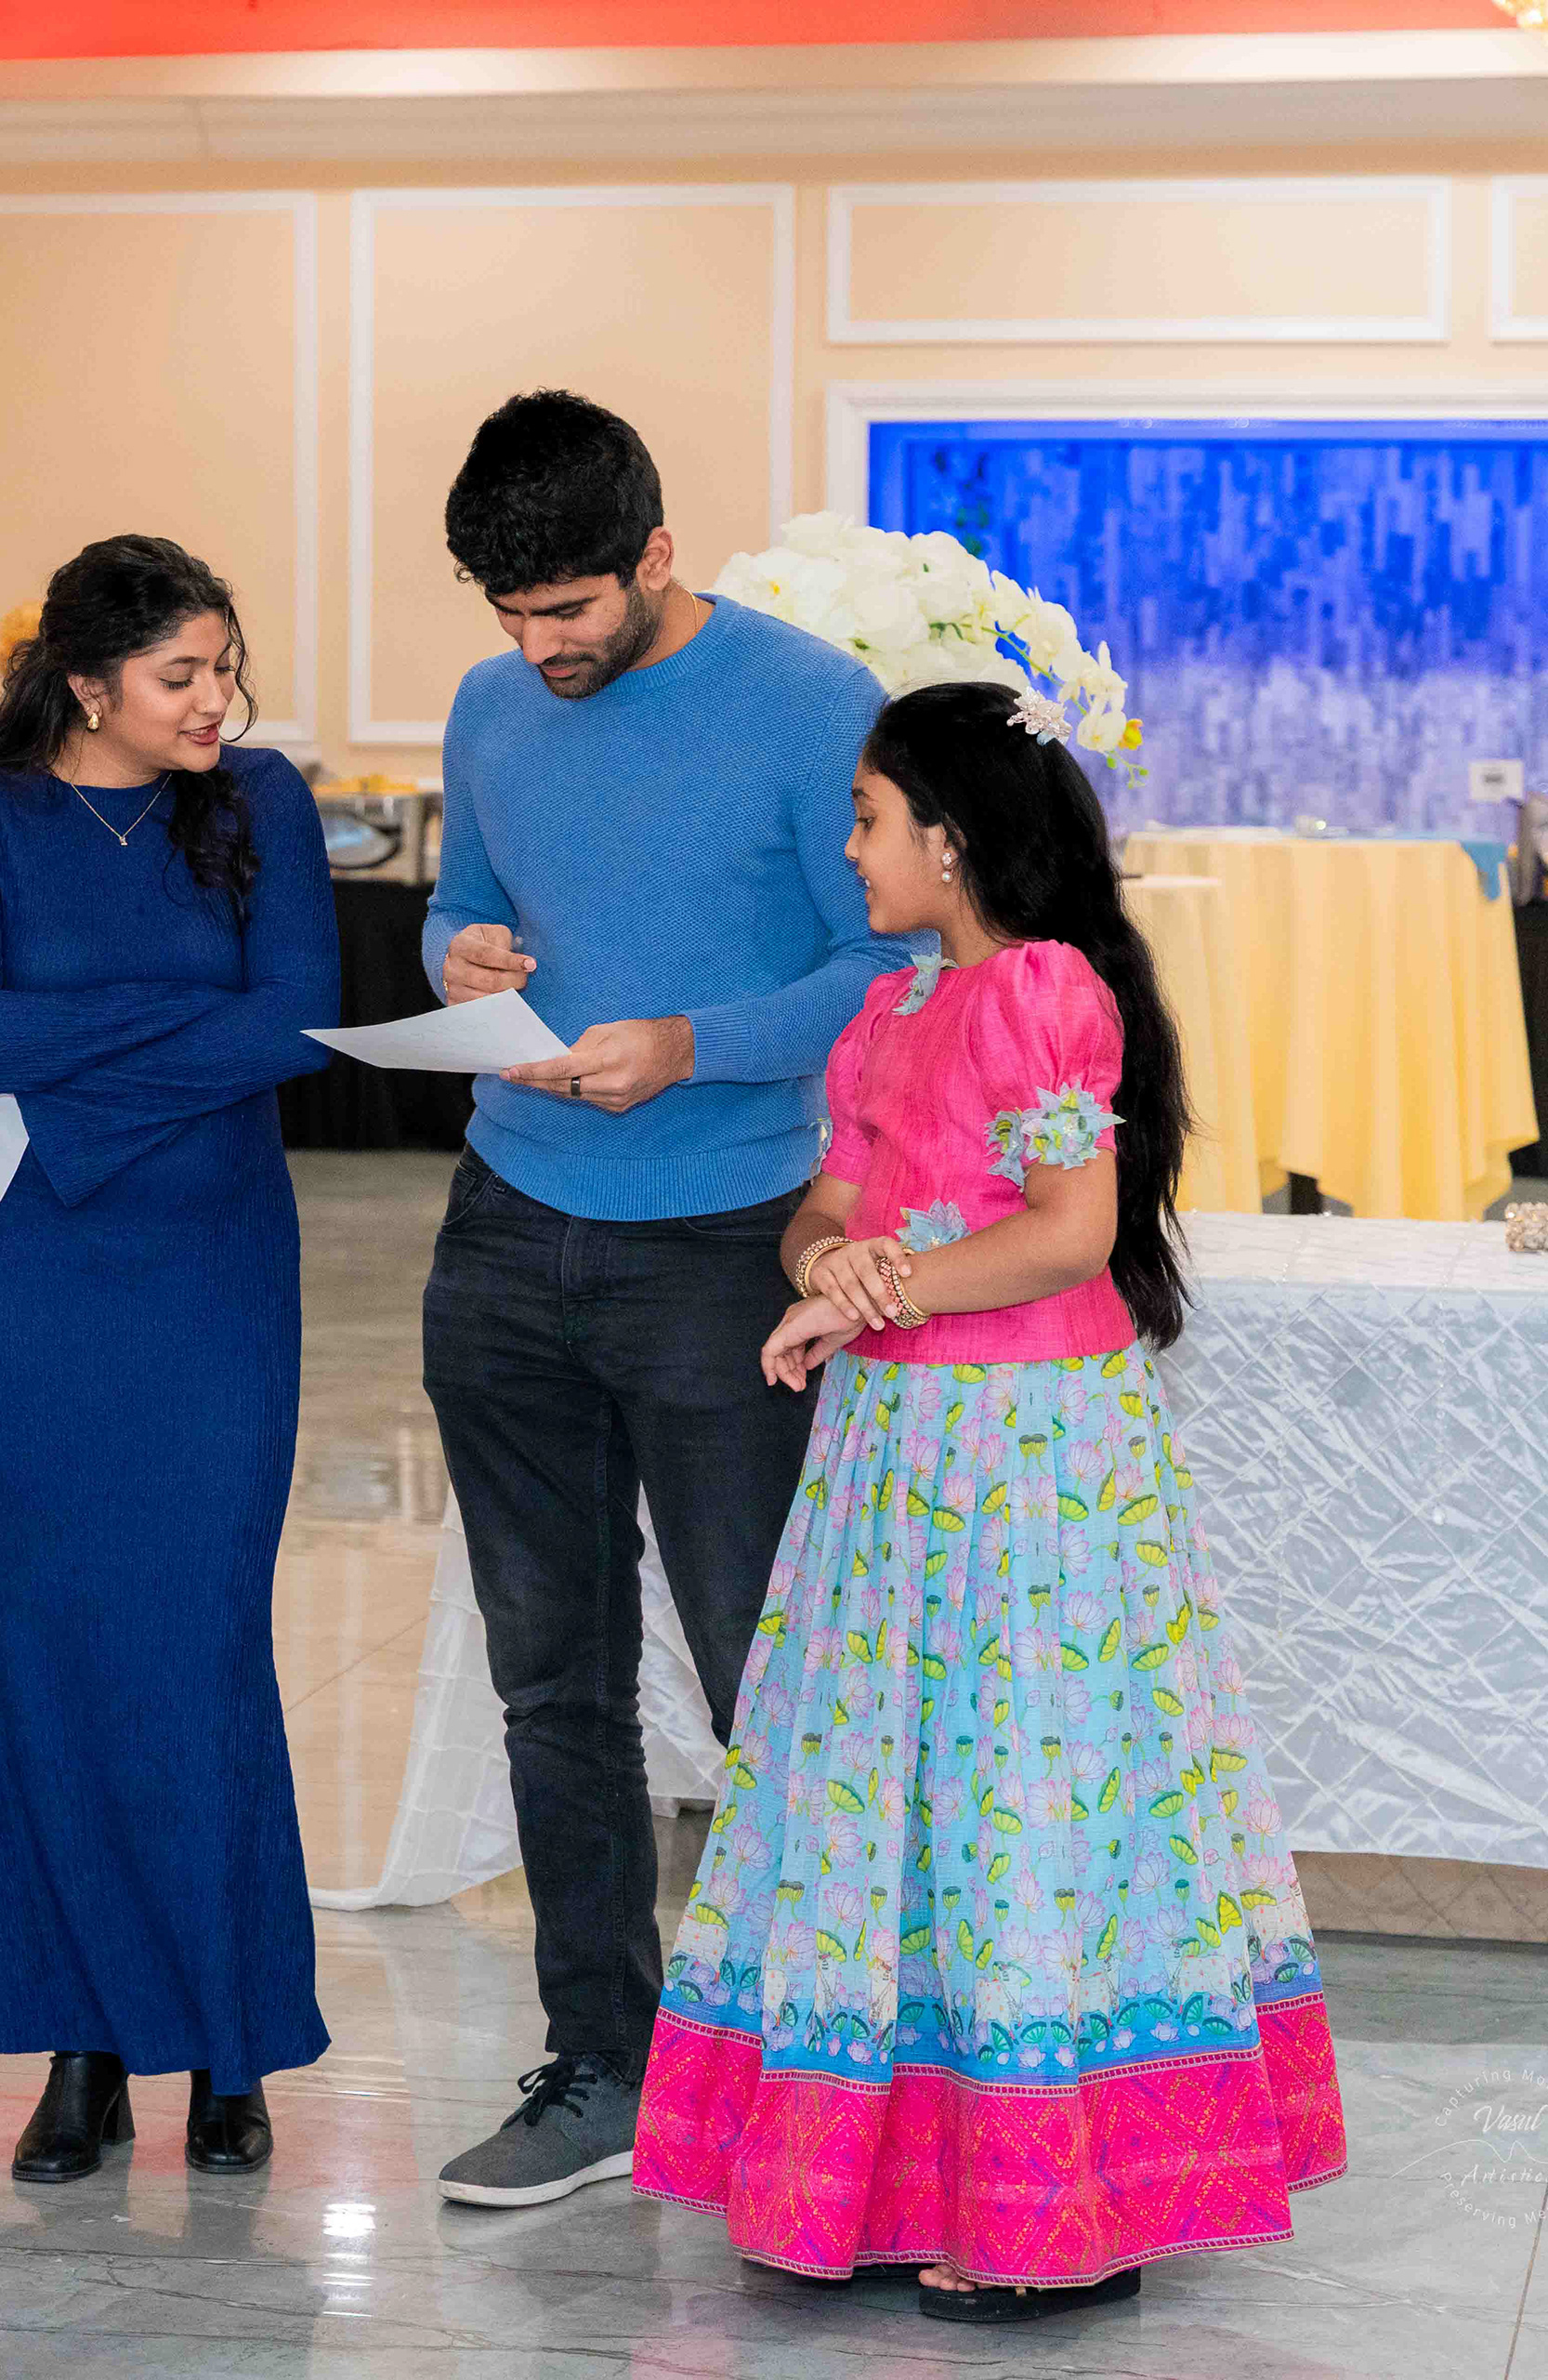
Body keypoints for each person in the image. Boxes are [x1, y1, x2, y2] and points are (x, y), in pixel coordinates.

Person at [632, 679, 1347, 2317]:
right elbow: (824, 1203)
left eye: (870, 818)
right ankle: (903, 2175)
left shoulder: (1039, 989)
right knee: (902, 1789)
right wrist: (832, 1264)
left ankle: (1057, 2209)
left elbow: (1069, 1231)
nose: (850, 847)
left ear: (949, 842)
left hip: (1026, 1455)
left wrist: (879, 1287)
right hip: (898, 1452)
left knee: (1021, 1785)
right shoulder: (889, 1008)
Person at [421, 391, 913, 2209]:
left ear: (655, 554)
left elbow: (887, 965)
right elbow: (458, 910)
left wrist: (694, 1043)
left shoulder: (810, 704)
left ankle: (815, 2073)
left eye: (568, 608)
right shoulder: (490, 706)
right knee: (550, 1681)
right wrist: (458, 957)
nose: (538, 646)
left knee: (763, 1679)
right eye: (507, 613)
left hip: (730, 1240)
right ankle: (600, 2066)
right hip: (505, 1226)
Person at [0, 536, 341, 2183]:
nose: (217, 700)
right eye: (181, 675)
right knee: (44, 1650)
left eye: (226, 667)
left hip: (213, 1275)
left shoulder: (263, 802)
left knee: (201, 1645)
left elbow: (300, 1018)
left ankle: (230, 2043)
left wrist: (75, 1061)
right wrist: (186, 1027)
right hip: (24, 1292)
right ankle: (77, 2048)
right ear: (86, 683)